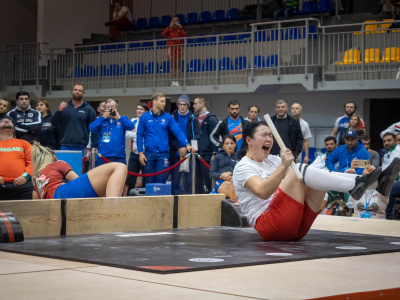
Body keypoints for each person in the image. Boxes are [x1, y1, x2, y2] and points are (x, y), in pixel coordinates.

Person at [232, 122, 383, 241]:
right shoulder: (243, 166)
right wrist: (284, 166)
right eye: (264, 135)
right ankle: (356, 184)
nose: (269, 139)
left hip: (296, 227)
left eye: (271, 136)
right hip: (269, 225)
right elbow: (262, 192)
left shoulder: (272, 160)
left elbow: (312, 176)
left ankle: (368, 182)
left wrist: (343, 174)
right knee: (299, 169)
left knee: (316, 177)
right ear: (249, 140)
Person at [31, 142, 127, 199]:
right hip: (64, 193)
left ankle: (111, 205)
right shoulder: (57, 163)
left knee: (105, 186)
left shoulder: (35, 180)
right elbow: (77, 180)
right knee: (119, 167)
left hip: (55, 202)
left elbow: (38, 202)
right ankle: (114, 207)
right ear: (53, 156)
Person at [136, 93, 195, 184]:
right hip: (149, 155)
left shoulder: (168, 117)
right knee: (149, 183)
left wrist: (186, 143)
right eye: (162, 101)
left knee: (161, 183)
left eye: (164, 101)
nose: (164, 103)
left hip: (163, 155)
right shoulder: (145, 117)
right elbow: (139, 135)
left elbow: (177, 131)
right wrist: (140, 153)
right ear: (154, 102)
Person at [51, 84, 98, 156]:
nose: (77, 92)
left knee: (79, 167)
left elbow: (94, 128)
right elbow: (54, 123)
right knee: (64, 167)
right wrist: (59, 111)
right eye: (75, 90)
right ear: (72, 91)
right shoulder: (64, 107)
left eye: (80, 90)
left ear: (83, 93)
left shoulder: (89, 109)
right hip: (65, 145)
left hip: (81, 146)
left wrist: (95, 146)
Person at [169, 95, 201, 195]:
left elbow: (197, 135)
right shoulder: (172, 117)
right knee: (175, 183)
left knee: (190, 182)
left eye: (184, 104)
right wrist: (179, 148)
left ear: (188, 106)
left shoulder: (193, 119)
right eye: (180, 104)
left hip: (190, 155)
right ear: (177, 105)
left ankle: (189, 204)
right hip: (176, 154)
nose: (182, 107)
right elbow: (169, 136)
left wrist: (188, 148)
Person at [89, 99, 135, 166]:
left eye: (112, 107)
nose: (110, 109)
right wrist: (103, 117)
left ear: (116, 108)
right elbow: (91, 128)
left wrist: (119, 117)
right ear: (105, 109)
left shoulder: (122, 119)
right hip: (103, 156)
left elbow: (131, 126)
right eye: (108, 107)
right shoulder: (101, 120)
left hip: (119, 156)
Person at [0, 116, 34, 200]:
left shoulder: (24, 143)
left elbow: (32, 162)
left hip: (23, 184)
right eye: (2, 121)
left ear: (14, 129)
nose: (6, 121)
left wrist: (25, 177)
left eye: (9, 121)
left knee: (36, 192)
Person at [193, 96, 219, 194]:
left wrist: (214, 153)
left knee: (208, 178)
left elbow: (215, 136)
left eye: (196, 103)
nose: (193, 105)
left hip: (207, 153)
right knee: (197, 179)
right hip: (196, 153)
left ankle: (211, 196)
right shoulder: (194, 118)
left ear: (202, 104)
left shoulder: (211, 119)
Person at [125, 103, 149, 194]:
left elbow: (148, 136)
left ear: (146, 111)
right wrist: (138, 135)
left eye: (141, 109)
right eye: (137, 108)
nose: (138, 111)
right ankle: (127, 197)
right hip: (134, 154)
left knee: (145, 179)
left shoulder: (148, 121)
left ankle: (144, 198)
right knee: (130, 178)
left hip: (145, 154)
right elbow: (126, 133)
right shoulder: (133, 121)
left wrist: (137, 136)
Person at [162, 15, 187, 87]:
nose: (175, 22)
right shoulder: (170, 29)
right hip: (171, 47)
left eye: (176, 21)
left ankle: (177, 81)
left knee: (178, 65)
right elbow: (163, 34)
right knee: (172, 65)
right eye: (174, 20)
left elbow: (184, 36)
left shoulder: (179, 29)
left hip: (178, 47)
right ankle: (173, 81)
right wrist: (169, 27)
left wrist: (181, 28)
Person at [380, 133, 400, 219]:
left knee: (389, 188)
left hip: (397, 180)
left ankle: (387, 216)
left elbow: (392, 172)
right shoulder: (387, 153)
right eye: (384, 141)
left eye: (389, 140)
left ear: (395, 141)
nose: (386, 143)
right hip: (392, 180)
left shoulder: (397, 152)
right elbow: (384, 169)